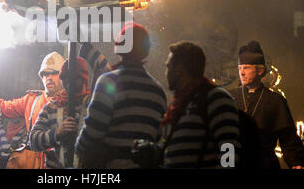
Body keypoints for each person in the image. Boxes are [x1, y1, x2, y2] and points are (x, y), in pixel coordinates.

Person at [75, 22, 167, 168]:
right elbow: (158, 136)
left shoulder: (109, 82)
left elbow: (93, 131)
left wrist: (78, 149)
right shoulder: (158, 91)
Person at [0, 51, 65, 168]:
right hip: (34, 164)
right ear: (41, 77)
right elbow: (2, 107)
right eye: (45, 74)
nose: (49, 77)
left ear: (63, 75)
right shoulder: (31, 100)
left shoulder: (73, 102)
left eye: (54, 73)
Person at [161, 41, 240, 168]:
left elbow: (229, 148)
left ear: (179, 70)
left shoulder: (215, 98)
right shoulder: (179, 105)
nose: (166, 72)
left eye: (168, 67)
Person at [229, 40, 304, 169]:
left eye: (246, 68)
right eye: (239, 68)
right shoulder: (228, 97)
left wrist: (296, 163)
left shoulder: (275, 100)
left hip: (264, 164)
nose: (241, 72)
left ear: (260, 71)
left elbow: (288, 137)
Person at [29, 57, 91, 168]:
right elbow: (33, 140)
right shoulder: (51, 107)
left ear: (83, 78)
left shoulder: (93, 105)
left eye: (74, 78)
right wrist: (57, 133)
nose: (69, 83)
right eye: (65, 78)